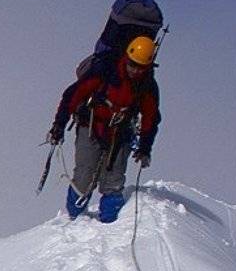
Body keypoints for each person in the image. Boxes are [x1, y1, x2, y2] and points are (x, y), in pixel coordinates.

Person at [47, 36, 161, 222]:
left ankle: (109, 225)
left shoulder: (147, 86)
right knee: (84, 175)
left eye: (140, 67)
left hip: (120, 134)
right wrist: (59, 125)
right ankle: (74, 220)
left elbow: (151, 118)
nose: (134, 70)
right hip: (91, 125)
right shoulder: (105, 70)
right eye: (132, 64)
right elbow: (72, 96)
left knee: (113, 182)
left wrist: (145, 148)